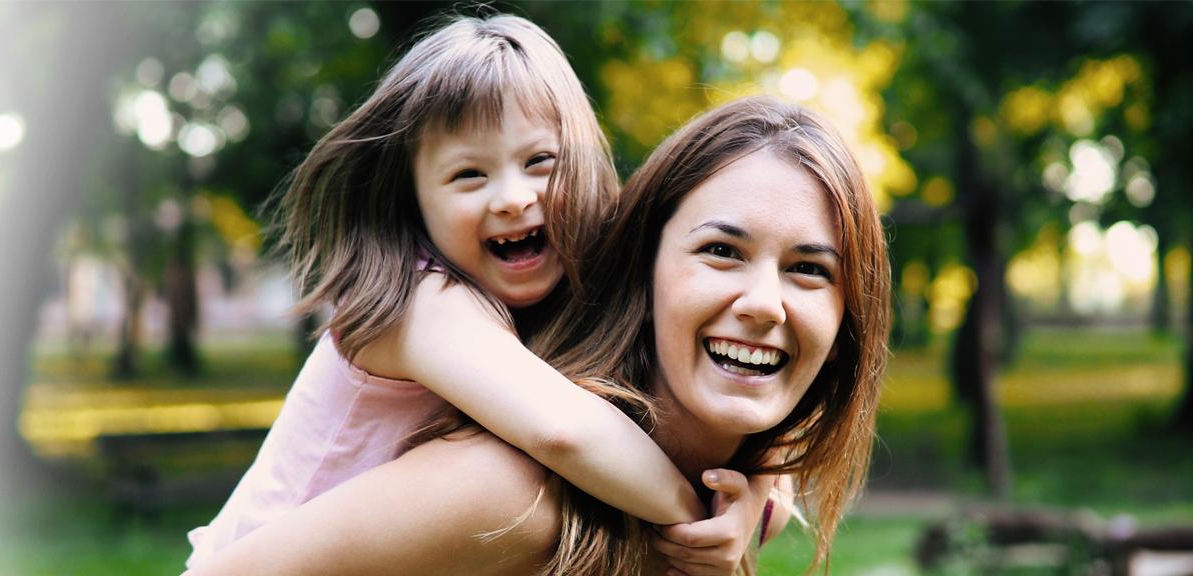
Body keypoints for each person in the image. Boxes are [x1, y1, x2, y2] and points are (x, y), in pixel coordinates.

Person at [188, 95, 891, 575]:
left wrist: (748, 499)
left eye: (808, 269)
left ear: (847, 318)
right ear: (643, 264)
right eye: (720, 251)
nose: (764, 303)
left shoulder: (737, 505)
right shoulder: (510, 495)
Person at [186, 13, 728, 569]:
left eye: (540, 161)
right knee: (523, 486)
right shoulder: (414, 300)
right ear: (414, 200)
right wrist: (695, 520)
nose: (513, 198)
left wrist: (753, 492)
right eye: (469, 174)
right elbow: (565, 433)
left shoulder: (564, 300)